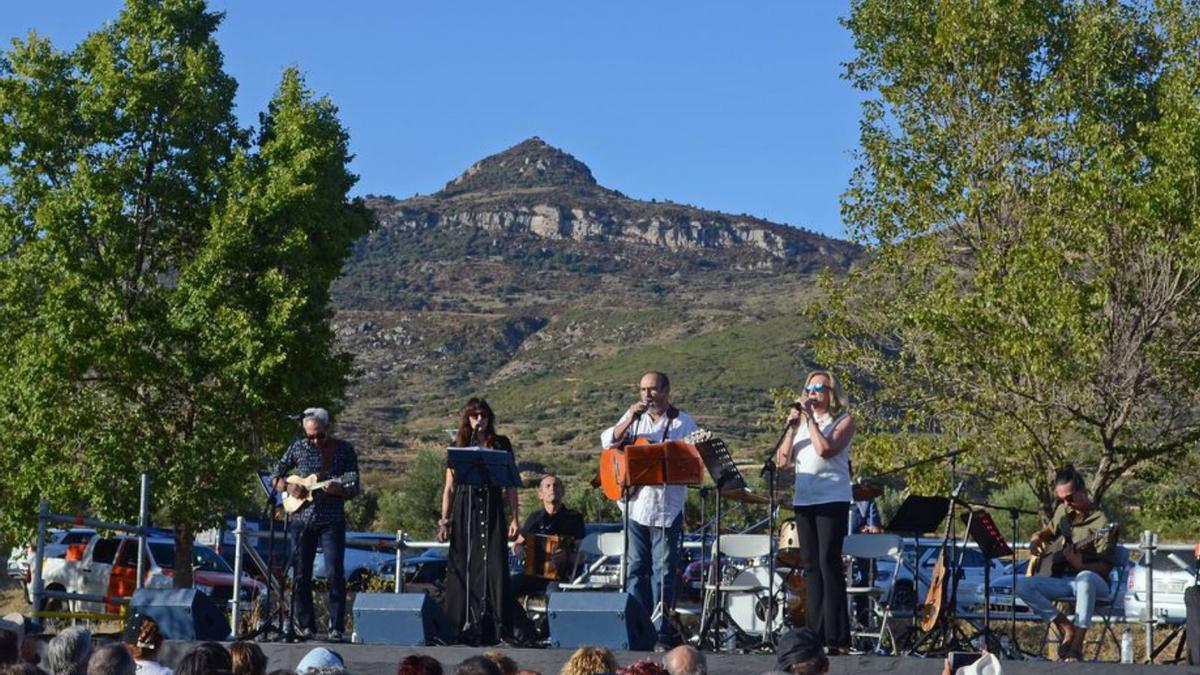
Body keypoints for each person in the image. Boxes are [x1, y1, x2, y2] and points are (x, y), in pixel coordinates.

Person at [600, 371, 697, 649]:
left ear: (667, 391)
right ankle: (636, 626)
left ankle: (660, 630)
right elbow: (608, 442)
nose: (647, 395)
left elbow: (694, 457)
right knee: (635, 568)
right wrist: (628, 418)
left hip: (667, 508)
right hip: (634, 507)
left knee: (663, 571)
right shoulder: (635, 419)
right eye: (643, 389)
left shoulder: (683, 421)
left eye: (652, 389)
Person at [774, 370, 855, 654]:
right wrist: (793, 428)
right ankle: (815, 635)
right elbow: (782, 461)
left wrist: (809, 421)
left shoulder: (843, 421)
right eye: (808, 387)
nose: (812, 393)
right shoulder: (801, 425)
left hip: (832, 499)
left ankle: (838, 637)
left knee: (828, 563)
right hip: (804, 501)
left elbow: (825, 450)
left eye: (819, 388)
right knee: (810, 567)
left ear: (832, 393)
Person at [271, 407, 361, 642]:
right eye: (310, 436)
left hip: (332, 520)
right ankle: (305, 625)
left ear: (328, 429)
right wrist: (290, 487)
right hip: (301, 519)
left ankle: (336, 627)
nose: (315, 440)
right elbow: (275, 476)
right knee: (301, 574)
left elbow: (355, 486)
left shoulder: (343, 450)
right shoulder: (297, 448)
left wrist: (339, 489)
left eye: (319, 435)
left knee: (334, 573)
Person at [438, 398, 521, 645]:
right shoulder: (458, 446)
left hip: (492, 506)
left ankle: (497, 625)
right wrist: (445, 520)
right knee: (465, 561)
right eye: (474, 416)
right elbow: (450, 488)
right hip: (466, 506)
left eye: (483, 415)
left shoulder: (501, 443)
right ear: (467, 419)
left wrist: (515, 517)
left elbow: (510, 484)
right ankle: (460, 622)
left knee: (494, 564)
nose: (479, 420)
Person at [1014, 465, 1116, 662]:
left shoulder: (1101, 523)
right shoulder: (1062, 510)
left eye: (1070, 498)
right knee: (1022, 585)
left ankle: (1076, 645)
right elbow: (1047, 533)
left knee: (1085, 579)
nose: (1067, 503)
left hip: (1095, 584)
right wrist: (1036, 538)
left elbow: (1104, 569)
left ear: (1083, 491)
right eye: (1062, 499)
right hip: (1065, 582)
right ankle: (1065, 626)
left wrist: (1080, 566)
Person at [510, 474, 587, 598]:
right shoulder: (534, 518)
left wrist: (566, 556)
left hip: (560, 577)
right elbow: (517, 544)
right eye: (548, 486)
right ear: (540, 494)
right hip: (533, 575)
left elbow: (582, 555)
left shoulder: (574, 517)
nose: (552, 488)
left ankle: (550, 617)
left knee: (553, 595)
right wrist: (518, 549)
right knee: (505, 587)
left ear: (563, 491)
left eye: (556, 485)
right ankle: (521, 617)